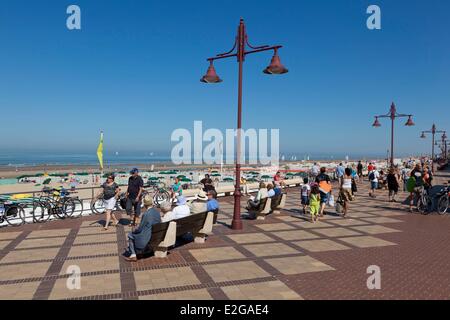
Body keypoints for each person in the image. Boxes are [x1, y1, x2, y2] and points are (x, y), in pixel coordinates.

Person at [123, 196, 161, 262]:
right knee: (136, 233)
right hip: (156, 235)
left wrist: (134, 230)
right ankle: (139, 252)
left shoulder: (146, 214)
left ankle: (133, 255)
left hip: (148, 237)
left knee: (130, 234)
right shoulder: (157, 212)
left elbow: (140, 228)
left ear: (145, 205)